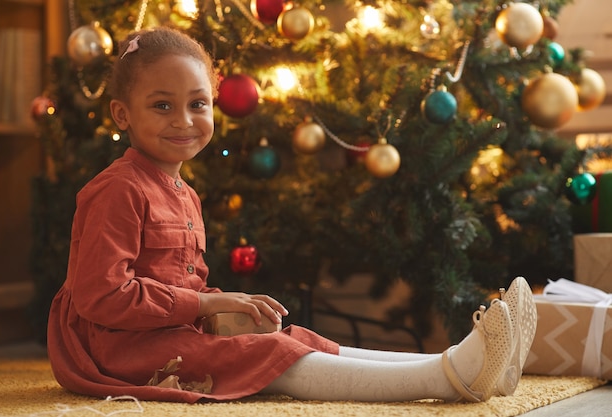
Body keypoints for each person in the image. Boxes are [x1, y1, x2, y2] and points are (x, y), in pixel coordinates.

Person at [47, 26, 537, 404]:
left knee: (291, 336)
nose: (184, 120)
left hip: (162, 328)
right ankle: (450, 379)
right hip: (117, 348)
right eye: (161, 105)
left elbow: (182, 287)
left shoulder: (183, 192)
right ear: (121, 114)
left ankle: (455, 361)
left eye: (198, 104)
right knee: (267, 354)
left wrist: (223, 306)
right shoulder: (116, 190)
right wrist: (206, 309)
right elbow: (102, 296)